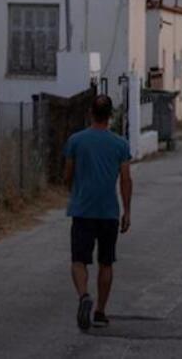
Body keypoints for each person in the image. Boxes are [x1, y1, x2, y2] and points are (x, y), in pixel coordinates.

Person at [62, 94, 132, 331]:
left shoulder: (76, 140)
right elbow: (125, 180)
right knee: (106, 262)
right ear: (111, 116)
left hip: (82, 210)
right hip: (108, 212)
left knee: (79, 260)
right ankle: (100, 311)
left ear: (91, 113)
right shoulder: (121, 144)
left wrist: (72, 189)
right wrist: (127, 211)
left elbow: (68, 175)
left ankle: (84, 296)